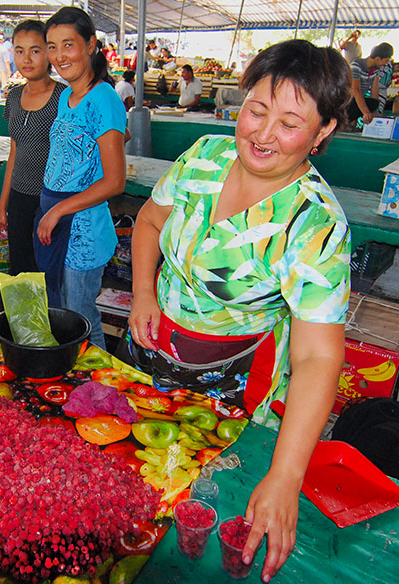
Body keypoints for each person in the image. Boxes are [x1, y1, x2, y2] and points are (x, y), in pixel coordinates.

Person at [126, 39, 352, 583]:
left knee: (204, 504)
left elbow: (320, 358)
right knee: (138, 478)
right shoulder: (204, 155)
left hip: (233, 375)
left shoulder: (314, 225)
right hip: (155, 345)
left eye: (291, 122)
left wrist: (286, 475)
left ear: (323, 133)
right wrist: (142, 294)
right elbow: (149, 223)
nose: (263, 133)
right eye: (256, 109)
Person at [36, 7, 126, 351]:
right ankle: (79, 383)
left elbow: (114, 182)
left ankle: (101, 388)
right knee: (63, 313)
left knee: (80, 321)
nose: (59, 56)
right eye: (52, 46)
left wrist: (59, 210)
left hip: (83, 231)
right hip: (58, 222)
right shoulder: (66, 96)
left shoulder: (102, 97)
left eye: (68, 45)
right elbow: (110, 136)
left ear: (90, 45)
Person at [0, 20, 66, 276]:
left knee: (47, 270)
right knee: (20, 270)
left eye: (35, 50)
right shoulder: (13, 97)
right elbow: (14, 154)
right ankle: (23, 317)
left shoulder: (65, 97)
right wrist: (3, 207)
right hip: (19, 198)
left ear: (49, 53)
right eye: (19, 50)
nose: (26, 58)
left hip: (51, 200)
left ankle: (51, 317)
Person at [347, 42, 394, 125]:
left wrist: (374, 112)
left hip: (358, 98)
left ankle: (354, 126)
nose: (386, 64)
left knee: (373, 102)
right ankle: (347, 125)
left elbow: (375, 90)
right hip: (347, 100)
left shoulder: (376, 69)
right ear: (377, 59)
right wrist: (366, 113)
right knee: (353, 102)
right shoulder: (356, 65)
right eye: (386, 61)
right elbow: (355, 90)